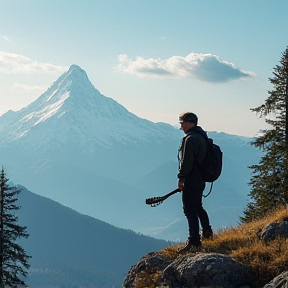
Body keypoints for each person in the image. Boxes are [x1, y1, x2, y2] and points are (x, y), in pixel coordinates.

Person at [177, 112, 213, 253]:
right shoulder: (201, 136)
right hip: (200, 178)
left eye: (182, 123)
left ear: (190, 123)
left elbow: (187, 162)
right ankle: (207, 232)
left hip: (191, 179)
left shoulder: (190, 139)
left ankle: (194, 241)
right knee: (198, 206)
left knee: (189, 209)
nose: (181, 126)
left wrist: (181, 178)